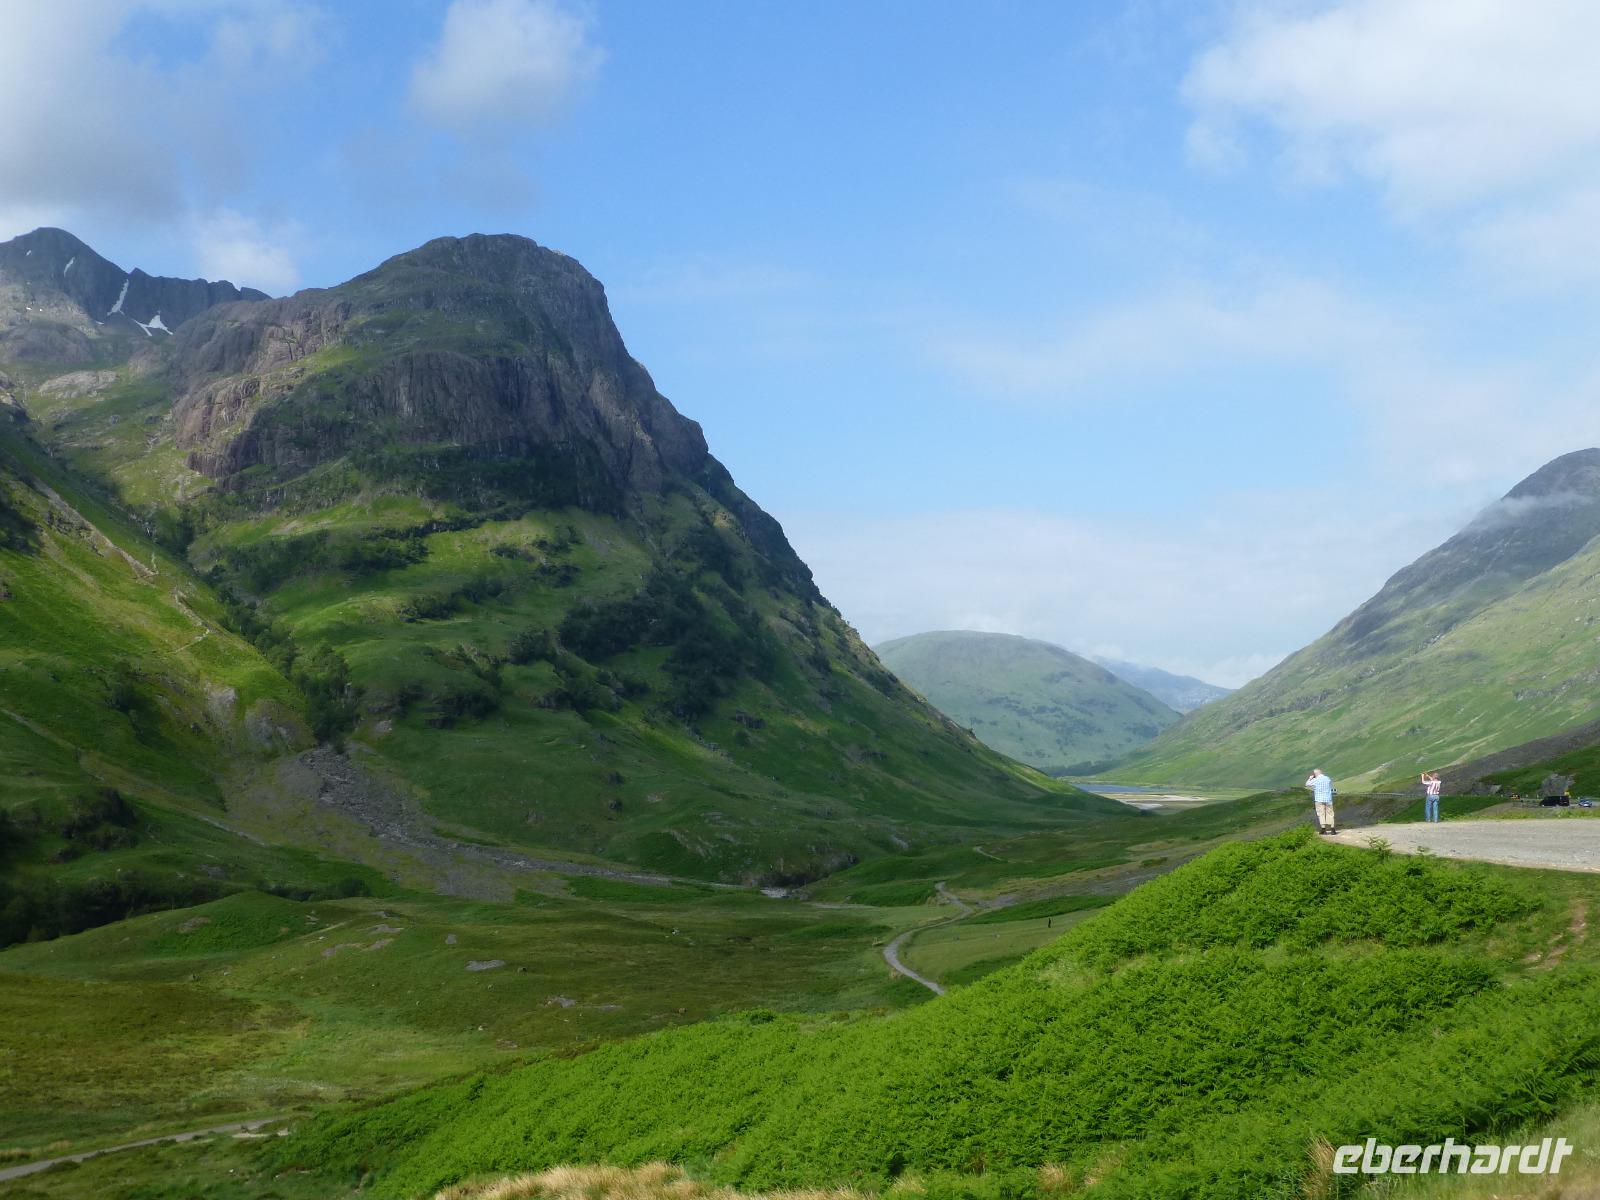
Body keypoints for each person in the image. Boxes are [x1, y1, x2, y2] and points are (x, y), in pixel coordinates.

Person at [1306, 768, 1337, 834]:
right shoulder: (1327, 778)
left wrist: (1310, 778)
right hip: (1328, 799)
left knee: (1321, 814)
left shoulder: (1315, 780)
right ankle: (1332, 829)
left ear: (1315, 774)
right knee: (1330, 813)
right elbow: (1330, 784)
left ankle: (1323, 829)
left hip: (1319, 799)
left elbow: (1307, 784)